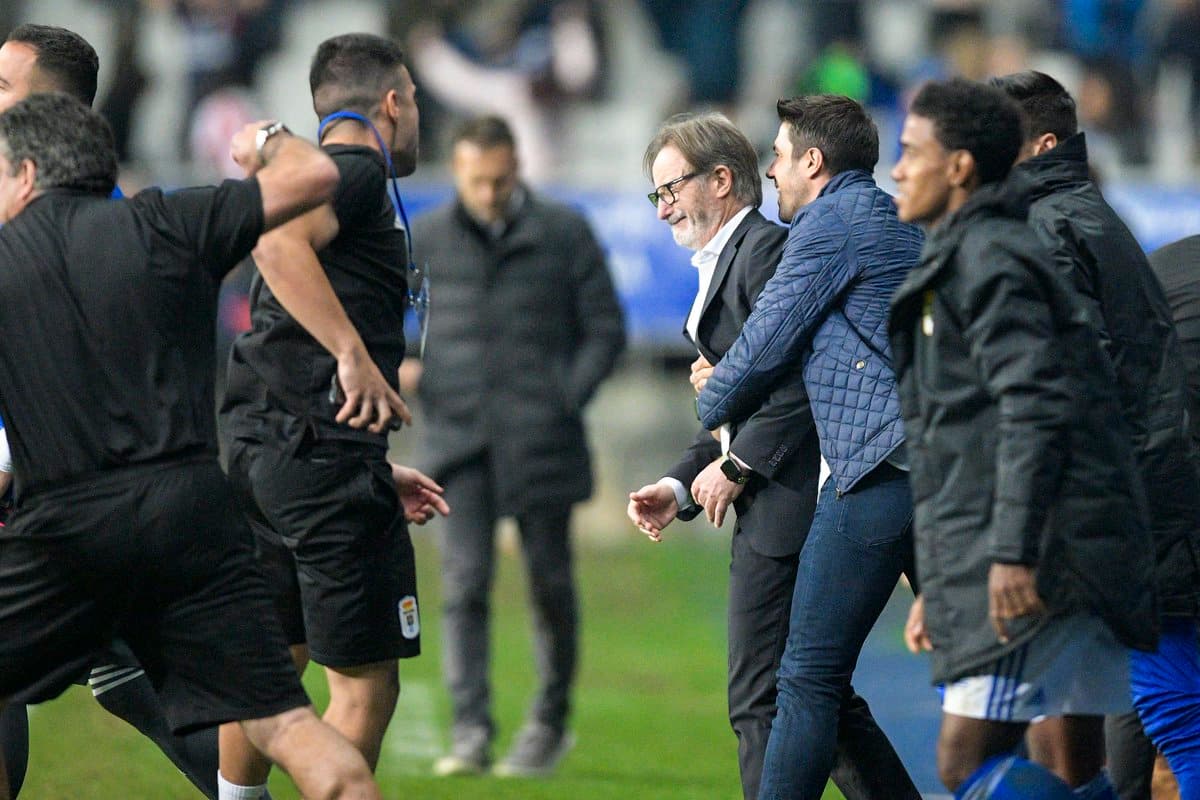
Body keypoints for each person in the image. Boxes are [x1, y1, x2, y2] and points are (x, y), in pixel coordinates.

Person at [0, 91, 393, 800]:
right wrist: (264, 138)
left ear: (26, 174)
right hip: (193, 522)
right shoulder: (168, 221)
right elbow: (315, 177)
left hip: (65, 529)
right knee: (290, 729)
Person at [627, 111, 919, 800]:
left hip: (811, 491)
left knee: (772, 695)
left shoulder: (775, 247)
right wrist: (680, 481)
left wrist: (734, 459)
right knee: (815, 695)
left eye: (670, 188)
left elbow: (781, 377)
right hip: (831, 483)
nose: (663, 206)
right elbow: (751, 392)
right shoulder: (747, 253)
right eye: (655, 194)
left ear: (720, 180)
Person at [888, 76, 1158, 798]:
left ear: (960, 167)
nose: (896, 168)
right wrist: (943, 583)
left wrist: (1010, 553)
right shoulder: (977, 251)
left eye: (912, 151)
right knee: (1063, 761)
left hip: (1036, 551)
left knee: (965, 763)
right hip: (1029, 544)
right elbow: (968, 436)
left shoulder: (995, 258)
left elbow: (1035, 408)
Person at [0, 22, 231, 800]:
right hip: (110, 498)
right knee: (136, 675)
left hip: (60, 489)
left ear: (50, 109)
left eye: (2, 86)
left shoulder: (81, 223)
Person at [217, 32, 445, 799]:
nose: (417, 113)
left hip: (266, 449)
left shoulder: (318, 173)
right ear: (391, 102)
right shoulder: (355, 173)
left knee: (269, 672)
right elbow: (278, 247)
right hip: (319, 458)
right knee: (365, 687)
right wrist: (352, 354)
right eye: (413, 97)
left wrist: (368, 456)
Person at [989, 70, 1200, 800]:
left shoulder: (1052, 231)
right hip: (1152, 508)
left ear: (1042, 145)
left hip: (1121, 519)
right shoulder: (1093, 223)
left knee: (1162, 714)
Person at [403, 114, 624, 777]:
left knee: (550, 587)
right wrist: (408, 367)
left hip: (542, 440)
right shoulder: (429, 236)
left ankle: (548, 725)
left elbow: (605, 328)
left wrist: (564, 397)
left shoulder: (564, 231)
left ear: (518, 168)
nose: (491, 193)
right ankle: (471, 731)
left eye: (501, 180)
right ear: (458, 172)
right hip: (457, 439)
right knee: (464, 584)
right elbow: (391, 321)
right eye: (477, 181)